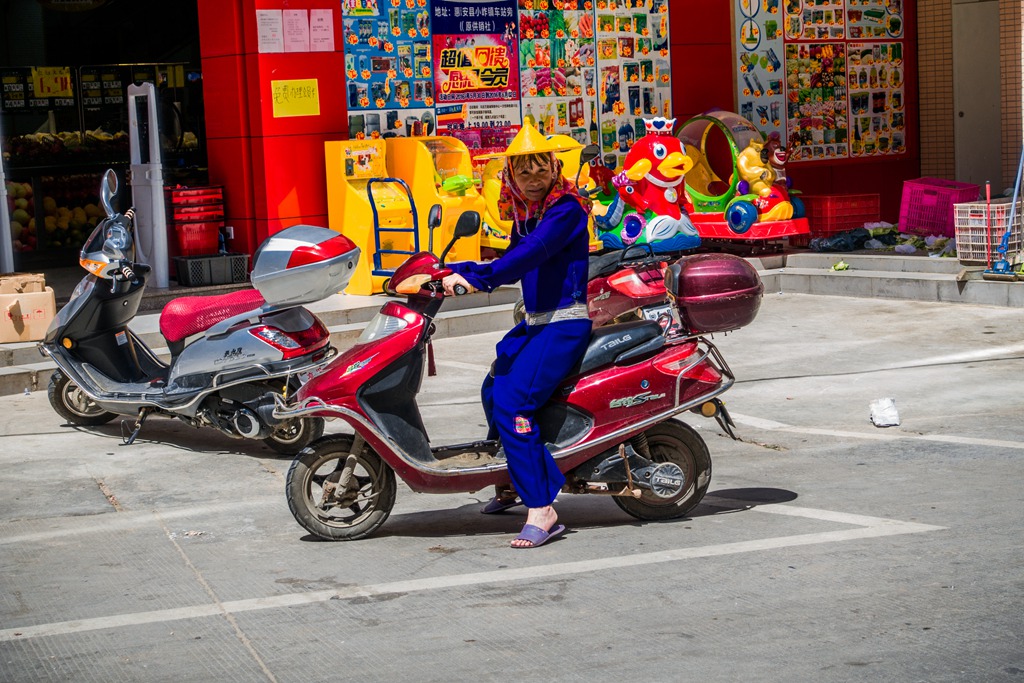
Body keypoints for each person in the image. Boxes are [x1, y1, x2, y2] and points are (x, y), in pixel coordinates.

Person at [442, 123, 592, 549]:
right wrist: (453, 271)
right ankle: (510, 481)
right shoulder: (529, 214)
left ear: (553, 168)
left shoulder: (564, 210)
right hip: (537, 322)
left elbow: (531, 255)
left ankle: (542, 505)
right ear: (510, 176)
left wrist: (479, 279)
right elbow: (513, 258)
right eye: (523, 173)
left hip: (563, 323)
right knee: (493, 387)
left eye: (539, 171)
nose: (532, 180)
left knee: (513, 403)